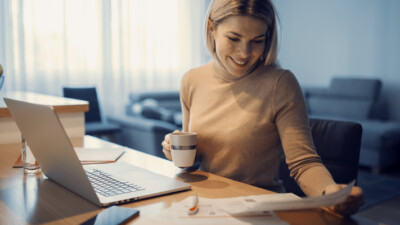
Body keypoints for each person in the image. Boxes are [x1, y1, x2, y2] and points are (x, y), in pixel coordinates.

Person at [162, 0, 364, 216]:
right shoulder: (192, 80)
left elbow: (303, 163)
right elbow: (194, 159)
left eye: (257, 41)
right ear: (212, 28)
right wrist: (175, 151)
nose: (245, 53)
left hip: (259, 210)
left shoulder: (280, 83)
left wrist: (329, 191)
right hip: (206, 206)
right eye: (234, 38)